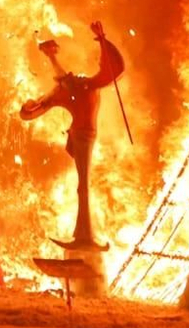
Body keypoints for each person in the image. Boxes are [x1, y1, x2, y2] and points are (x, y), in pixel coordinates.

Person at [20, 21, 126, 250]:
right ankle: (83, 235)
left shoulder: (87, 86)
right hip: (80, 136)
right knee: (82, 185)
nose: (76, 75)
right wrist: (29, 106)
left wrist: (102, 40)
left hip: (85, 137)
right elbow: (38, 106)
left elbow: (114, 69)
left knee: (84, 185)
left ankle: (85, 235)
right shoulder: (74, 88)